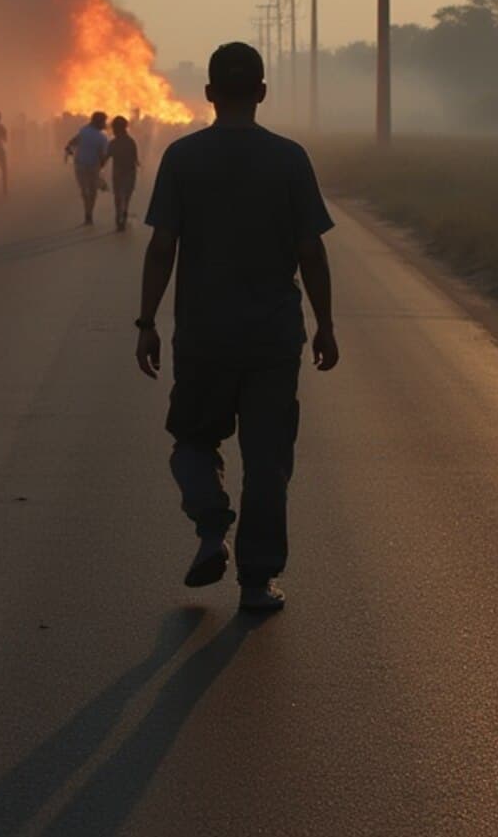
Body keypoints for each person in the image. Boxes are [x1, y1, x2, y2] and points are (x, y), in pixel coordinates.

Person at [133, 42, 339, 614]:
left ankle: (209, 524)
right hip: (273, 337)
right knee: (268, 459)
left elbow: (161, 249)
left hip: (203, 336)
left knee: (194, 440)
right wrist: (325, 325)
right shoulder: (289, 159)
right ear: (262, 92)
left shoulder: (182, 158)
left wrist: (147, 322)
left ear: (209, 94)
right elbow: (311, 254)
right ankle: (257, 580)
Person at [63, 111, 111, 225]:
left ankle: (87, 213)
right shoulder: (102, 137)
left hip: (80, 165)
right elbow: (103, 155)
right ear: (99, 122)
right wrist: (101, 170)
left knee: (85, 190)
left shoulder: (84, 131)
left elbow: (72, 142)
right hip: (92, 166)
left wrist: (68, 150)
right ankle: (89, 213)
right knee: (92, 191)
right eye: (104, 121)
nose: (105, 124)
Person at [106, 115, 141, 231]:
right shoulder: (131, 142)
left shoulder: (113, 143)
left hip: (118, 173)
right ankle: (124, 213)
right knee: (126, 196)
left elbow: (106, 157)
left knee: (118, 196)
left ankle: (119, 216)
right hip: (130, 173)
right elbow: (135, 159)